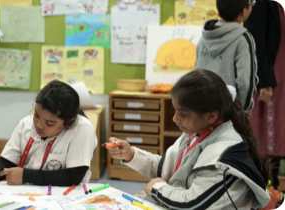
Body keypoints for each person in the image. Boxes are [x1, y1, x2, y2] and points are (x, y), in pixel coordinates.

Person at [108, 70, 271, 209]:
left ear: (211, 115)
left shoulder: (222, 157)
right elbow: (168, 168)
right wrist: (131, 154)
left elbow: (193, 203)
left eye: (183, 113)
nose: (174, 118)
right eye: (175, 110)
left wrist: (157, 188)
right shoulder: (197, 131)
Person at [0, 80, 97, 188]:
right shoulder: (26, 124)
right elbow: (6, 162)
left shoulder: (82, 128)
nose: (39, 125)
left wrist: (25, 175)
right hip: (28, 193)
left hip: (64, 196)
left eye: (50, 123)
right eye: (36, 115)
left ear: (68, 123)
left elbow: (73, 176)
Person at [244, 0, 284, 189]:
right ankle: (269, 188)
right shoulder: (261, 4)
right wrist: (265, 82)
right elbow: (255, 43)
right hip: (272, 78)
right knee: (269, 135)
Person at [195, 0, 258, 110]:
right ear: (244, 11)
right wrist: (243, 110)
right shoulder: (243, 39)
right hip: (228, 110)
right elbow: (245, 82)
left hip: (202, 106)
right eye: (251, 3)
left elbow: (196, 70)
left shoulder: (206, 36)